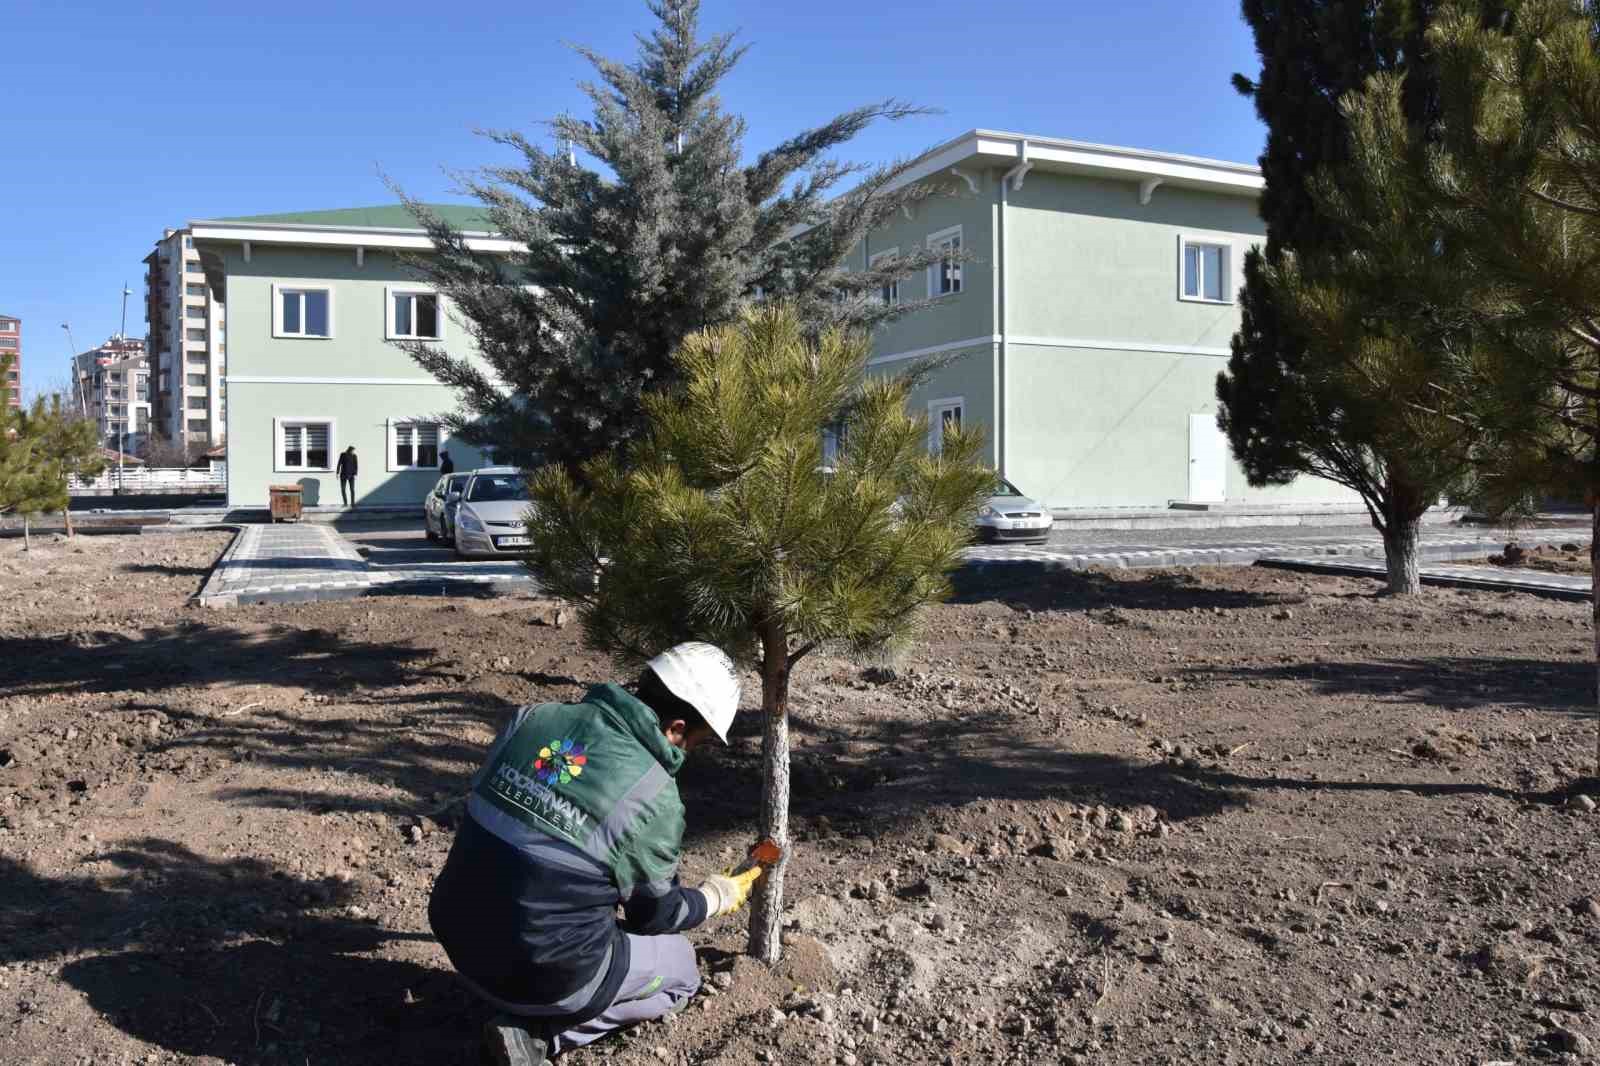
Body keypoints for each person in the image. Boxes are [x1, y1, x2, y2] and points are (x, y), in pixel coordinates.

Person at [429, 642, 757, 1066]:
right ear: (676, 727)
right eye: (698, 741)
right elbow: (655, 916)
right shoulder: (654, 795)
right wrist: (715, 896)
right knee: (681, 970)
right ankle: (542, 1035)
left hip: (457, 933)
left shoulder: (531, 718)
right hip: (539, 973)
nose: (692, 751)